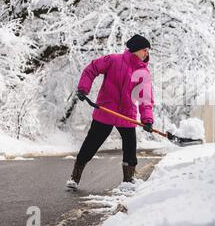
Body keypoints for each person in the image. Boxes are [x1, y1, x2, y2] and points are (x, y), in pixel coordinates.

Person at [66, 34, 154, 190]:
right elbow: (91, 69)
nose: (147, 53)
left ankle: (128, 180)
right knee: (91, 144)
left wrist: (147, 119)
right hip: (106, 110)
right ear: (135, 49)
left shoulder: (143, 72)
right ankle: (75, 177)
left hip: (127, 114)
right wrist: (83, 89)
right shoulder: (113, 60)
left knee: (130, 148)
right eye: (145, 50)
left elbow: (146, 98)